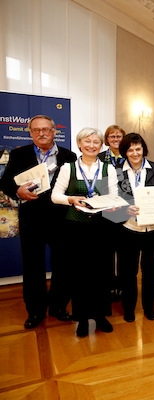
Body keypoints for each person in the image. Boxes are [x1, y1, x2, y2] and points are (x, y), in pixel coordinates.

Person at [0, 115, 76, 329]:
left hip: (61, 220)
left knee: (63, 265)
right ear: (30, 132)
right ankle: (35, 311)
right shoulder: (18, 154)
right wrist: (17, 190)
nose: (41, 133)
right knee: (33, 266)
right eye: (36, 130)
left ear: (54, 131)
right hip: (31, 219)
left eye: (46, 129)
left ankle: (59, 307)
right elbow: (5, 182)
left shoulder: (69, 156)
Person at [51, 128, 118, 337]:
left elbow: (114, 196)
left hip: (101, 228)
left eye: (96, 142)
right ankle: (81, 318)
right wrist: (71, 199)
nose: (92, 145)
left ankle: (100, 316)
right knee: (78, 274)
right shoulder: (67, 168)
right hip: (75, 229)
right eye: (87, 141)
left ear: (101, 145)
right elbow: (55, 196)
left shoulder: (109, 169)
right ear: (80, 144)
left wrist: (112, 205)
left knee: (101, 273)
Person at [116, 133, 154, 323]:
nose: (135, 153)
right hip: (128, 228)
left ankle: (149, 307)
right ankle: (128, 308)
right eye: (130, 149)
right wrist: (123, 209)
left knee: (151, 270)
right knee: (128, 272)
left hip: (153, 229)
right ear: (125, 152)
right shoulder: (116, 170)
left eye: (138, 149)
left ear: (144, 150)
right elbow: (110, 198)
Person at [98, 125, 126, 302]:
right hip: (104, 210)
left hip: (125, 210)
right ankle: (107, 286)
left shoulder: (131, 156)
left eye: (119, 136)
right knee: (106, 252)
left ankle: (123, 286)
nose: (116, 139)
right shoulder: (99, 158)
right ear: (107, 139)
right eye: (112, 136)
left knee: (124, 251)